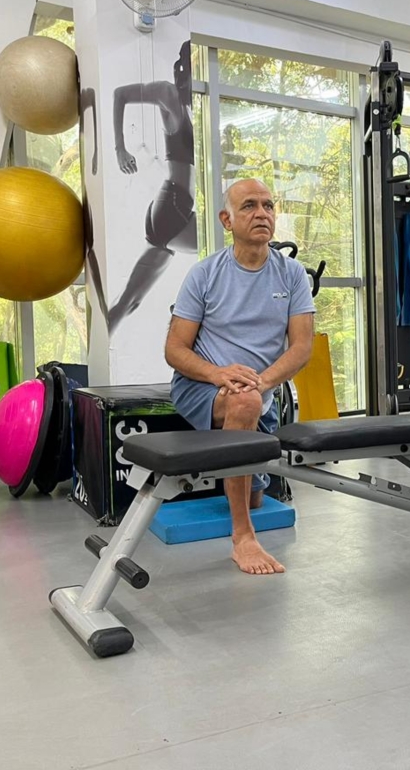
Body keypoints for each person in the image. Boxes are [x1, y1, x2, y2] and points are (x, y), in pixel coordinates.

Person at [165, 178, 315, 576]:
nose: (262, 213)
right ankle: (243, 538)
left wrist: (262, 383)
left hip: (259, 390)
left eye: (268, 205)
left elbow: (302, 347)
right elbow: (175, 350)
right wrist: (218, 374)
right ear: (226, 220)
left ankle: (244, 496)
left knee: (255, 497)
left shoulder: (292, 275)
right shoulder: (205, 274)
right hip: (201, 387)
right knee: (244, 402)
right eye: (249, 205)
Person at [108, 40, 197, 335]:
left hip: (171, 209)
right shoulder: (168, 93)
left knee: (128, 303)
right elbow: (120, 94)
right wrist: (120, 149)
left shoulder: (190, 106)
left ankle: (93, 354)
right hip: (173, 208)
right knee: (230, 241)